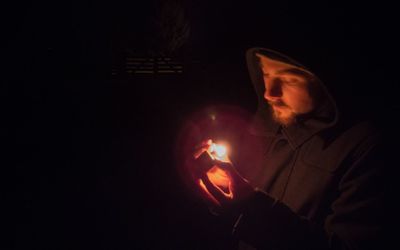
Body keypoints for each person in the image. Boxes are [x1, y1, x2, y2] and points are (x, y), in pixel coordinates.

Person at [188, 47, 392, 249]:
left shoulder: (366, 147)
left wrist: (251, 204)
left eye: (289, 79)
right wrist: (222, 191)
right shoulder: (270, 128)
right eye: (266, 73)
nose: (269, 93)